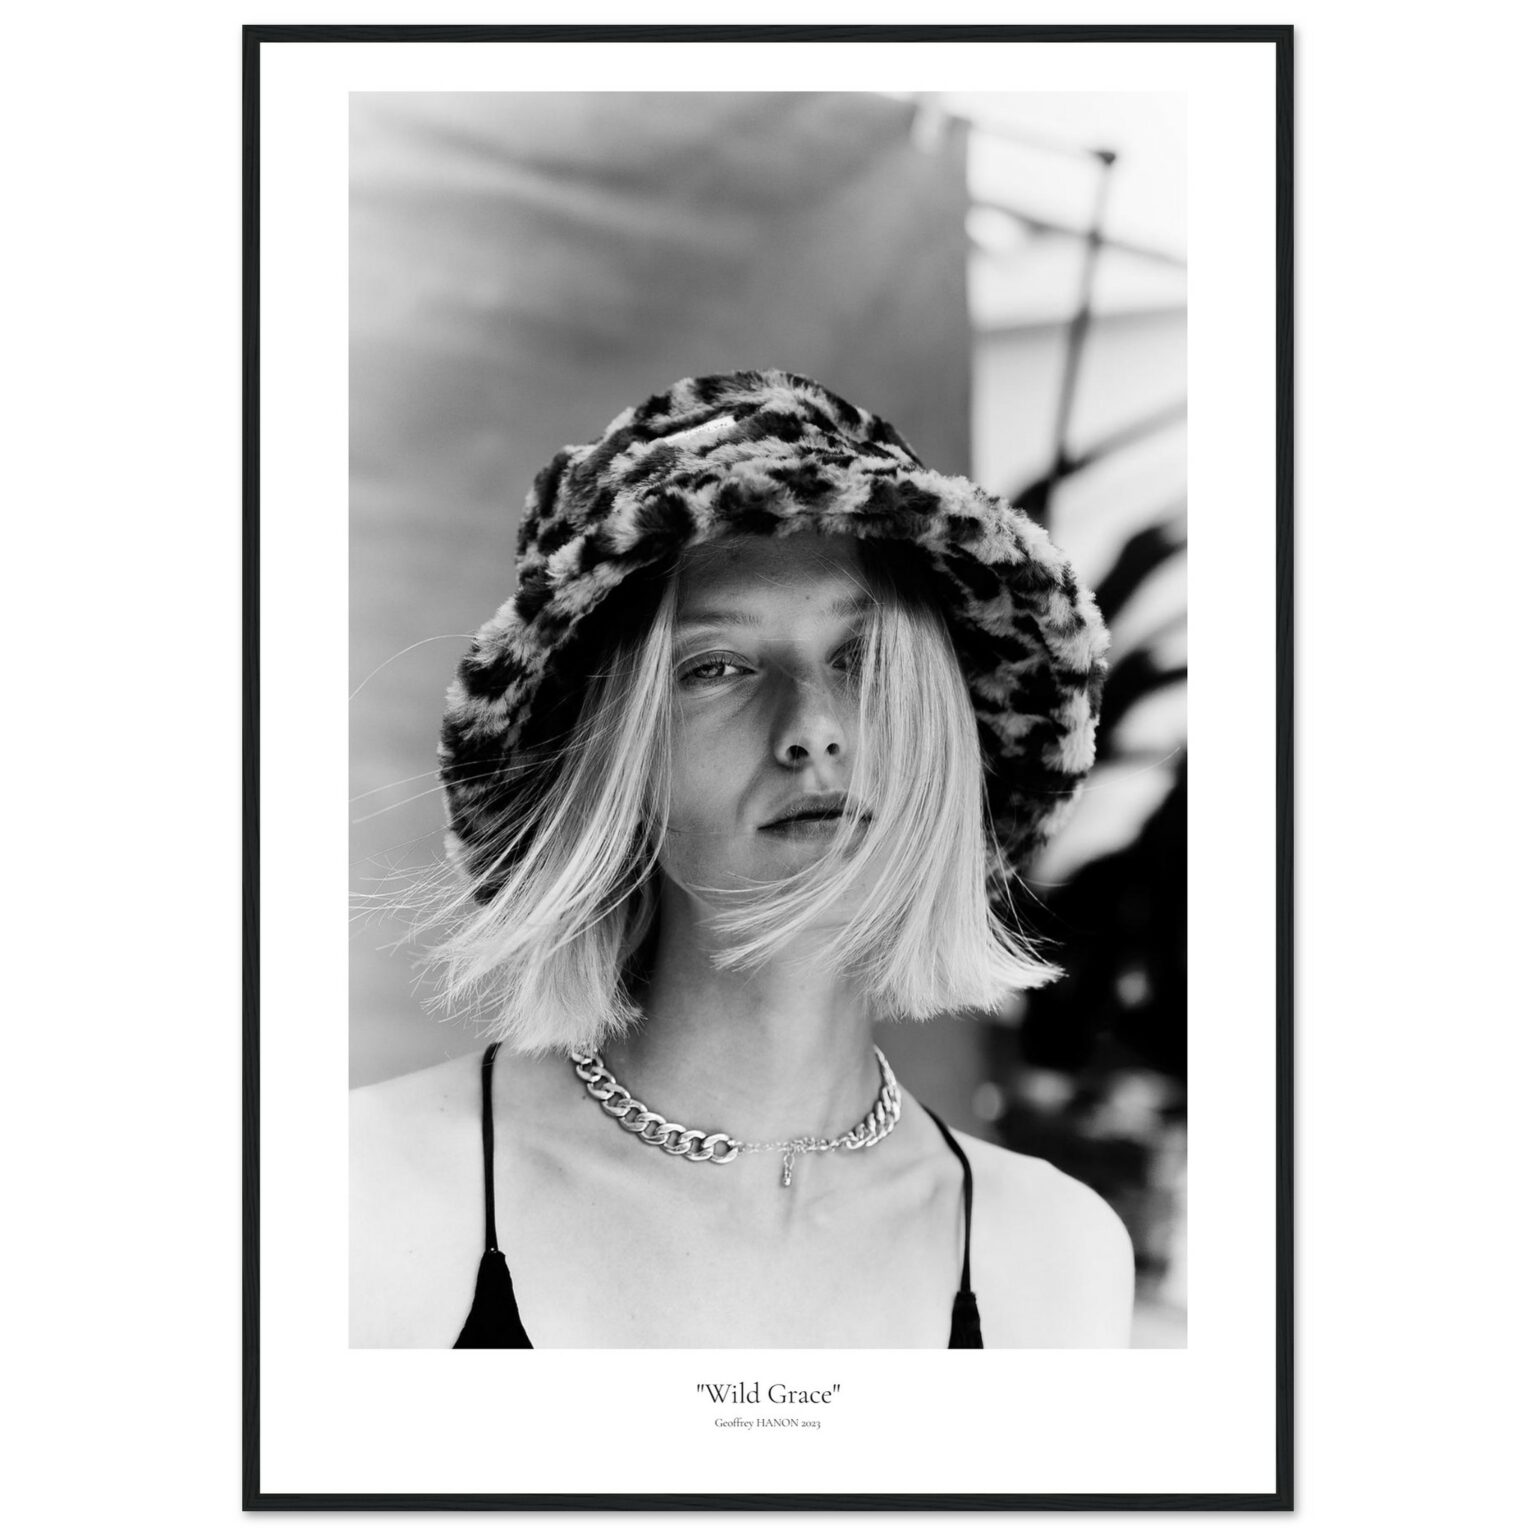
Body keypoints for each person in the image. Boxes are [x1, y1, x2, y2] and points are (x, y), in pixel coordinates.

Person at [350, 370, 1133, 1348]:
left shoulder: (1053, 1257)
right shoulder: (362, 1196)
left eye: (862, 658)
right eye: (715, 667)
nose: (813, 728)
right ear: (613, 758)